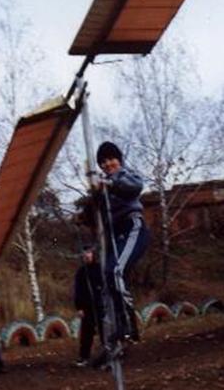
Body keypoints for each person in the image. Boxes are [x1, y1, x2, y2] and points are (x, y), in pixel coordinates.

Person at [95, 141, 149, 344]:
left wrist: (111, 184)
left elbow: (135, 187)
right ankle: (124, 327)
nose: (108, 164)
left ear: (119, 160)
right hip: (116, 235)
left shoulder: (125, 175)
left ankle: (128, 323)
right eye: (103, 162)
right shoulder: (104, 186)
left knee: (115, 271)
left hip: (132, 226)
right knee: (109, 275)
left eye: (111, 159)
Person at [74, 245, 104, 367]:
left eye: (89, 253)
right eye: (84, 253)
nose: (87, 255)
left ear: (93, 254)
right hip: (86, 307)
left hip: (100, 305)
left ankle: (108, 354)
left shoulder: (99, 269)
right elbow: (78, 290)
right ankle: (84, 357)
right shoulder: (81, 272)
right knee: (86, 333)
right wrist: (79, 307)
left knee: (104, 331)